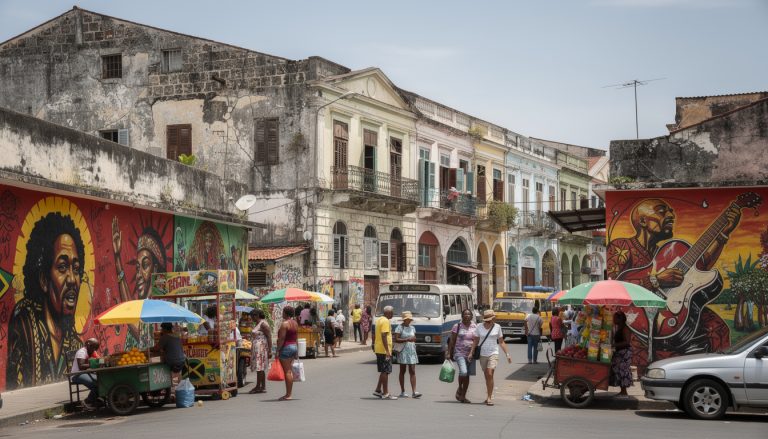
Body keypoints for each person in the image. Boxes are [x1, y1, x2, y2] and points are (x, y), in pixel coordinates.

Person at [607, 197, 741, 372]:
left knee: (717, 327)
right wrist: (656, 280)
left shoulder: (665, 251)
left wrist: (723, 234)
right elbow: (614, 287)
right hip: (637, 317)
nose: (671, 215)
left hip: (674, 306)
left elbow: (700, 267)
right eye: (662, 211)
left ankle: (718, 373)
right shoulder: (621, 246)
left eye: (671, 211)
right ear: (643, 221)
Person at [6, 212, 87, 389]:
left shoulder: (75, 343)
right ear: (43, 279)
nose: (72, 279)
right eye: (63, 267)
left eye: (76, 268)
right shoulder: (25, 320)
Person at [469, 310, 511, 406]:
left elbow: (501, 341)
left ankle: (489, 398)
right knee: (487, 376)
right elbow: (475, 341)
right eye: (487, 320)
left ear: (493, 319)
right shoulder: (479, 327)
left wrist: (507, 354)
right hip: (483, 354)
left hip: (493, 353)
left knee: (489, 373)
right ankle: (488, 395)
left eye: (490, 320)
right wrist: (471, 353)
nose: (489, 322)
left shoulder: (497, 327)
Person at [446, 309, 477, 403]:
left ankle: (463, 396)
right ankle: (459, 388)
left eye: (469, 314)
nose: (467, 315)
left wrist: (472, 352)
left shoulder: (474, 326)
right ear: (462, 316)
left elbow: (476, 340)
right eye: (465, 314)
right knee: (463, 372)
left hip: (471, 354)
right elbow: (452, 340)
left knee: (467, 375)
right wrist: (448, 352)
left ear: (471, 316)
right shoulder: (457, 326)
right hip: (459, 353)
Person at [394, 311, 421, 398]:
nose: (409, 320)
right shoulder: (399, 328)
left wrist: (413, 339)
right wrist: (407, 339)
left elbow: (414, 337)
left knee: (412, 371)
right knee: (402, 371)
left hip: (412, 351)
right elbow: (396, 339)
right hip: (403, 351)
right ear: (404, 320)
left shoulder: (412, 328)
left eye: (410, 319)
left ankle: (414, 391)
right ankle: (403, 391)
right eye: (407, 319)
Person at [373, 305, 397, 400]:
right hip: (383, 350)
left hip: (379, 348)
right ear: (387, 313)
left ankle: (378, 389)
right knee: (385, 371)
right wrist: (387, 350)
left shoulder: (379, 320)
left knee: (383, 370)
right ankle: (386, 393)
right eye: (392, 313)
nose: (393, 314)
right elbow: (383, 335)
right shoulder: (386, 321)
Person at [275, 306, 299, 401]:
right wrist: (296, 350)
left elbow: (281, 339)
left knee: (287, 372)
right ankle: (288, 393)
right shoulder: (295, 323)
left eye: (283, 312)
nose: (282, 314)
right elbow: (296, 337)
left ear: (286, 313)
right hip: (293, 347)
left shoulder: (284, 324)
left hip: (286, 348)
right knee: (289, 371)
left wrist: (277, 350)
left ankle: (288, 394)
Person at [248, 309, 272, 394]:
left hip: (261, 348)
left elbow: (269, 337)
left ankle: (258, 386)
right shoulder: (259, 324)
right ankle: (262, 387)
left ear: (256, 316)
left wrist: (270, 351)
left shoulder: (263, 324)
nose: (251, 318)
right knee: (260, 368)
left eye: (252, 316)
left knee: (260, 367)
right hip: (258, 348)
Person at [71, 338, 100, 406]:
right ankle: (87, 402)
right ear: (89, 346)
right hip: (77, 374)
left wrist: (102, 361)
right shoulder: (81, 352)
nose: (95, 350)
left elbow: (99, 360)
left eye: (96, 349)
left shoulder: (92, 352)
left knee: (101, 381)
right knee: (96, 384)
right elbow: (81, 366)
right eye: (94, 348)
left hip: (86, 373)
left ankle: (95, 398)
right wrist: (94, 364)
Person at [611, 310, 633, 398]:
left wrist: (613, 345)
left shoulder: (625, 328)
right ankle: (622, 391)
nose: (613, 319)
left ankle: (624, 392)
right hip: (619, 352)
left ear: (620, 319)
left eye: (615, 318)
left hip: (625, 352)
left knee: (623, 371)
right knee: (618, 370)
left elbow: (627, 342)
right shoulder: (619, 328)